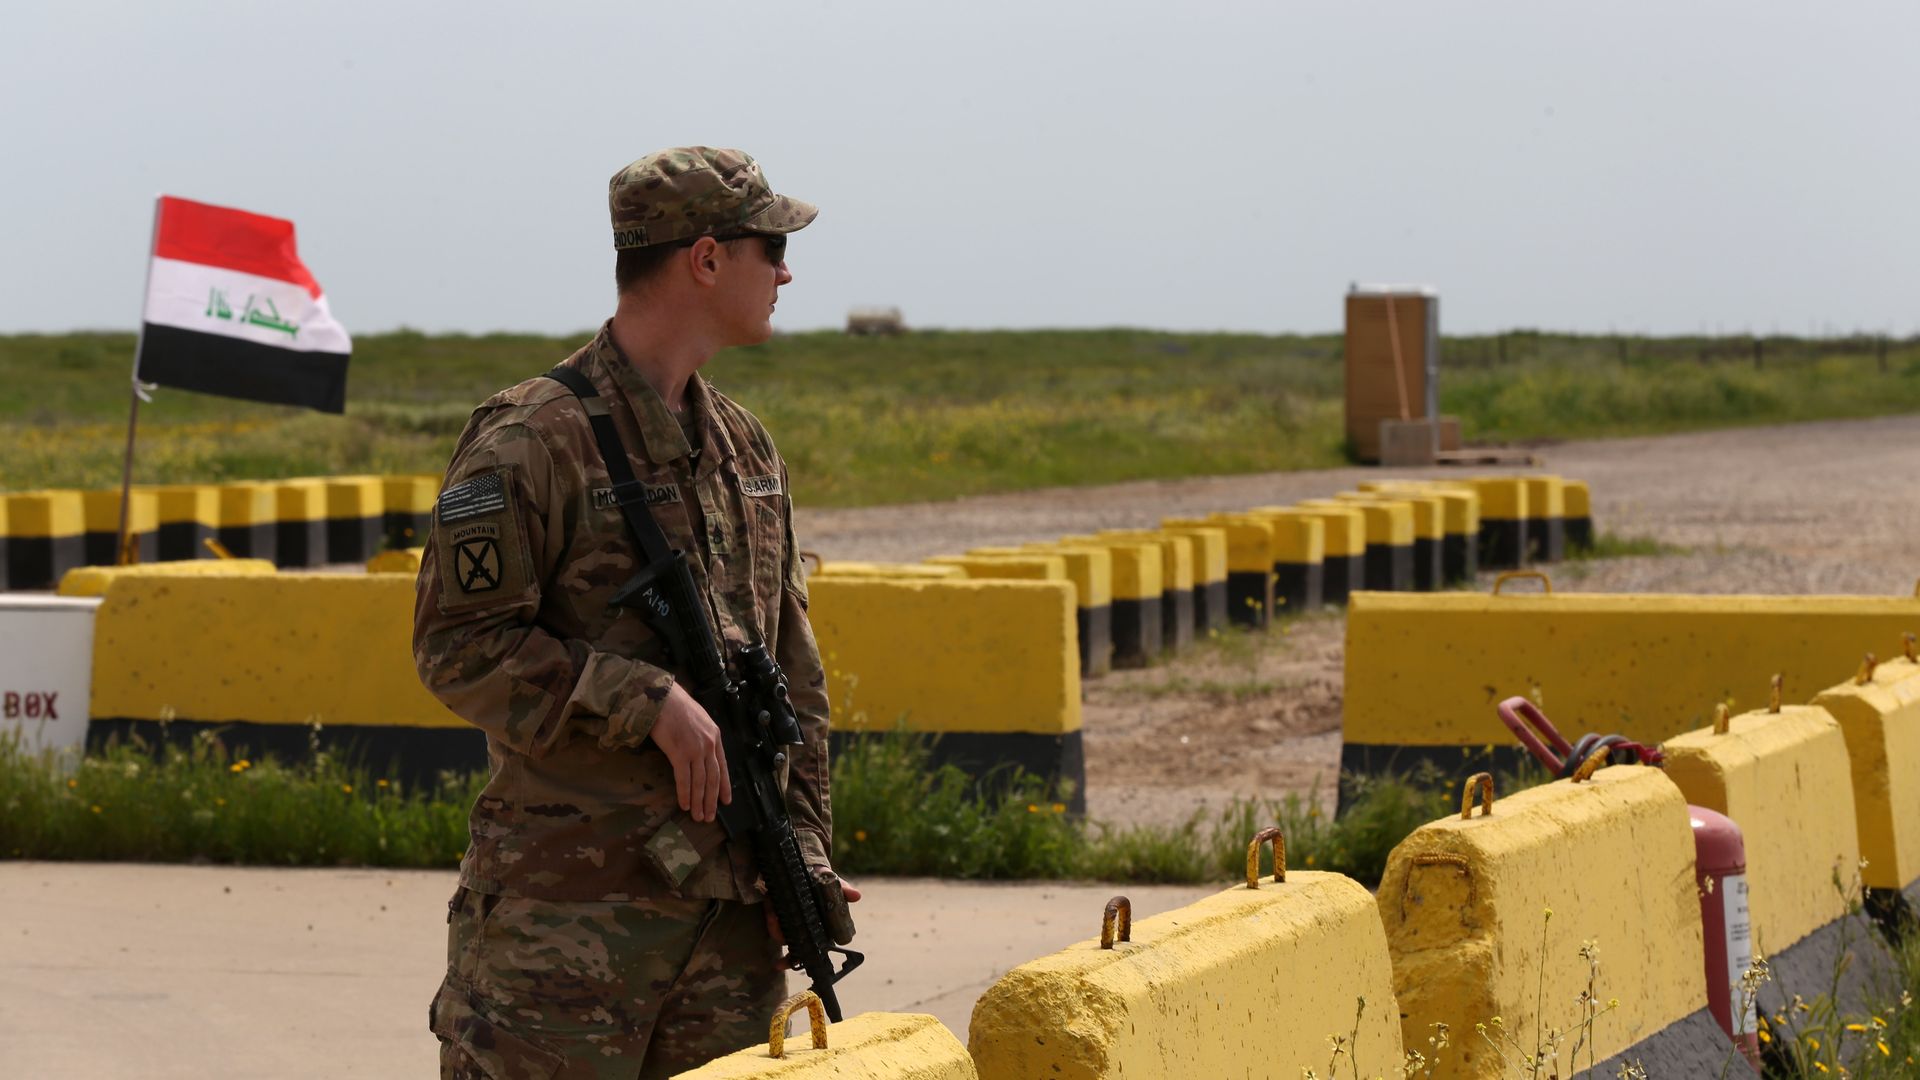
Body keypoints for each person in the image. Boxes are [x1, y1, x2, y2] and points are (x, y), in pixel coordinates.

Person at [414, 146, 857, 1080]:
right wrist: (641, 699)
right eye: (768, 246)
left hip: (728, 941)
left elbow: (793, 677)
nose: (786, 271)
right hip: (565, 944)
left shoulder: (745, 449)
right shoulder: (531, 439)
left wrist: (805, 850)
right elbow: (459, 647)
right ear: (705, 259)